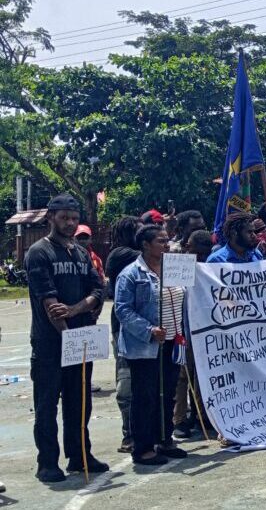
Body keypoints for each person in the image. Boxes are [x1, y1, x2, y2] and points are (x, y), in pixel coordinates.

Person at [27, 194, 108, 483]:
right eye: (64, 218)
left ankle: (80, 455)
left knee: (80, 402)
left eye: (74, 218)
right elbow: (49, 303)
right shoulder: (39, 252)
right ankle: (47, 462)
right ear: (50, 218)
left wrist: (76, 308)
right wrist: (67, 332)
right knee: (47, 406)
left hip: (82, 339)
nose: (70, 223)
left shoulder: (81, 252)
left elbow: (98, 290)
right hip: (50, 344)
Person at [115, 225, 188, 466]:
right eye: (160, 241)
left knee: (167, 393)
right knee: (144, 395)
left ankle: (164, 439)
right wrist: (149, 330)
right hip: (145, 345)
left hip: (173, 342)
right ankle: (143, 447)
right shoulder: (131, 274)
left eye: (167, 240)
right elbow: (122, 309)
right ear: (145, 245)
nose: (166, 245)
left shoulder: (175, 267)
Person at [173, 230, 215, 440]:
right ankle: (179, 420)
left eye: (194, 249)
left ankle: (203, 417)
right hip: (183, 330)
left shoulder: (211, 268)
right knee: (183, 377)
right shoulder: (178, 265)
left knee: (202, 376)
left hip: (206, 330)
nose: (187, 249)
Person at [105, 216, 141, 454]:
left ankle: (145, 431)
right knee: (127, 381)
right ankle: (129, 434)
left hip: (148, 323)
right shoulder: (121, 254)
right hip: (125, 327)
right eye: (139, 231)